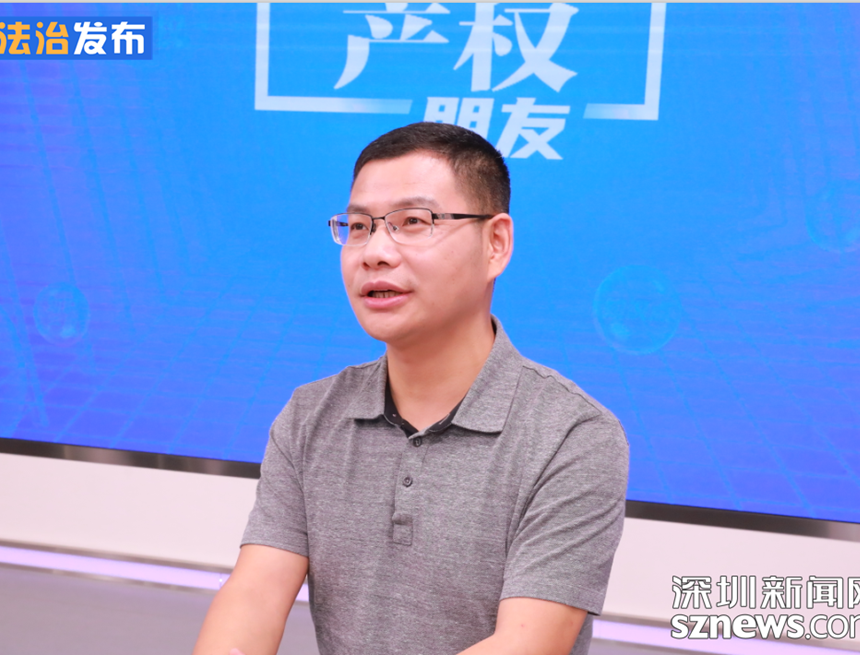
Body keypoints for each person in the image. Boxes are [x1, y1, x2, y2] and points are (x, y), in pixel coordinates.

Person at [192, 122, 629, 655]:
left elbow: (527, 643)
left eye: (413, 222)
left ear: (495, 244)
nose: (374, 252)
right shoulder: (311, 415)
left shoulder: (572, 434)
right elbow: (253, 597)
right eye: (358, 227)